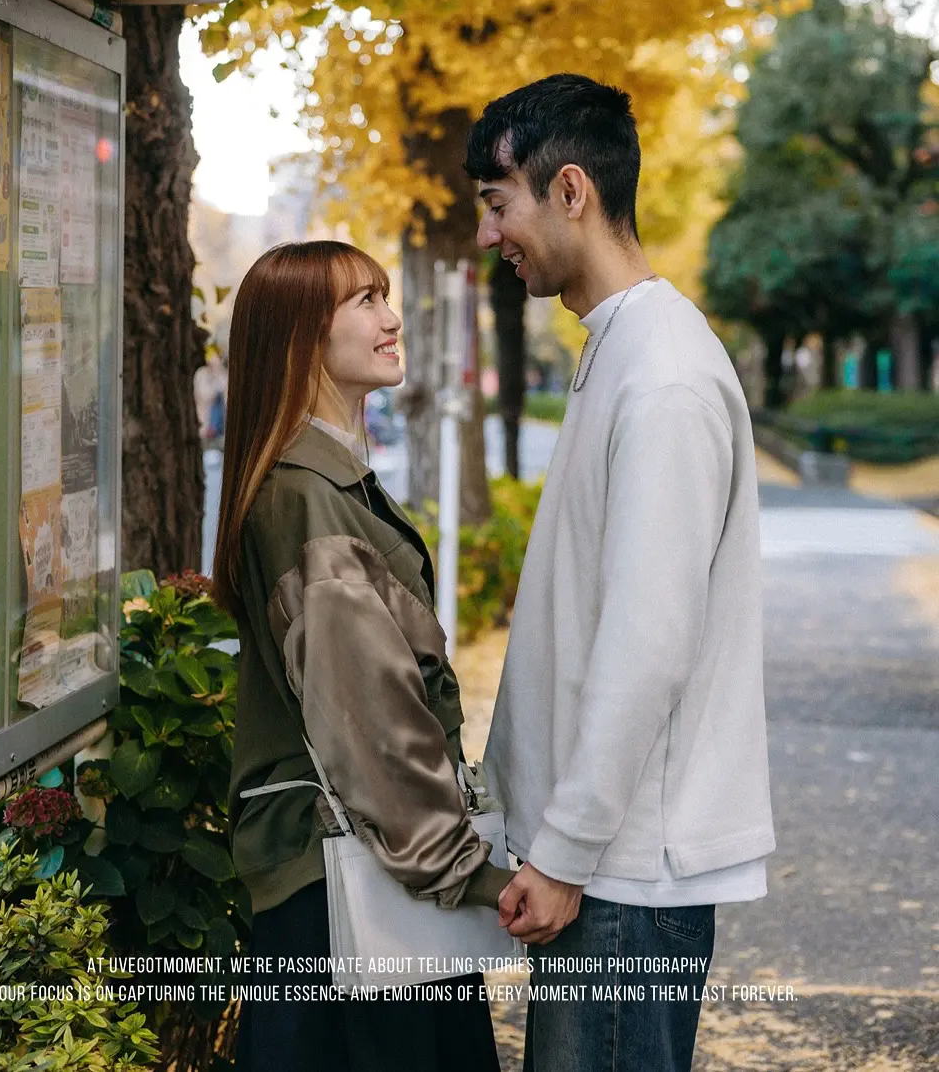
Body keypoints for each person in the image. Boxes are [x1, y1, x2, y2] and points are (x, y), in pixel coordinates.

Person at [467, 74, 776, 1072]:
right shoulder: (623, 348)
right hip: (607, 867)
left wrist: (563, 850)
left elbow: (647, 641)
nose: (487, 235)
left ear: (570, 191)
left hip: (626, 876)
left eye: (496, 203)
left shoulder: (666, 375)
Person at [212, 240, 511, 1072]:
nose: (390, 318)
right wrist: (470, 873)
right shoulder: (306, 495)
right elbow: (371, 724)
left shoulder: (326, 482)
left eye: (385, 296)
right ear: (304, 338)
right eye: (365, 302)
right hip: (350, 890)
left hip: (354, 878)